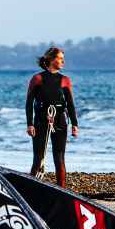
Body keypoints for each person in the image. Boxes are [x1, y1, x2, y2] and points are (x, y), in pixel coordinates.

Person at [25, 47, 78, 188]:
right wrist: (30, 124)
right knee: (38, 158)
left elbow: (70, 104)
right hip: (41, 121)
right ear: (51, 59)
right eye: (60, 58)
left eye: (62, 59)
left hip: (60, 121)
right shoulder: (37, 78)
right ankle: (31, 190)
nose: (63, 62)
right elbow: (29, 103)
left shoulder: (65, 80)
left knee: (59, 158)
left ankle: (62, 190)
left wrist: (74, 124)